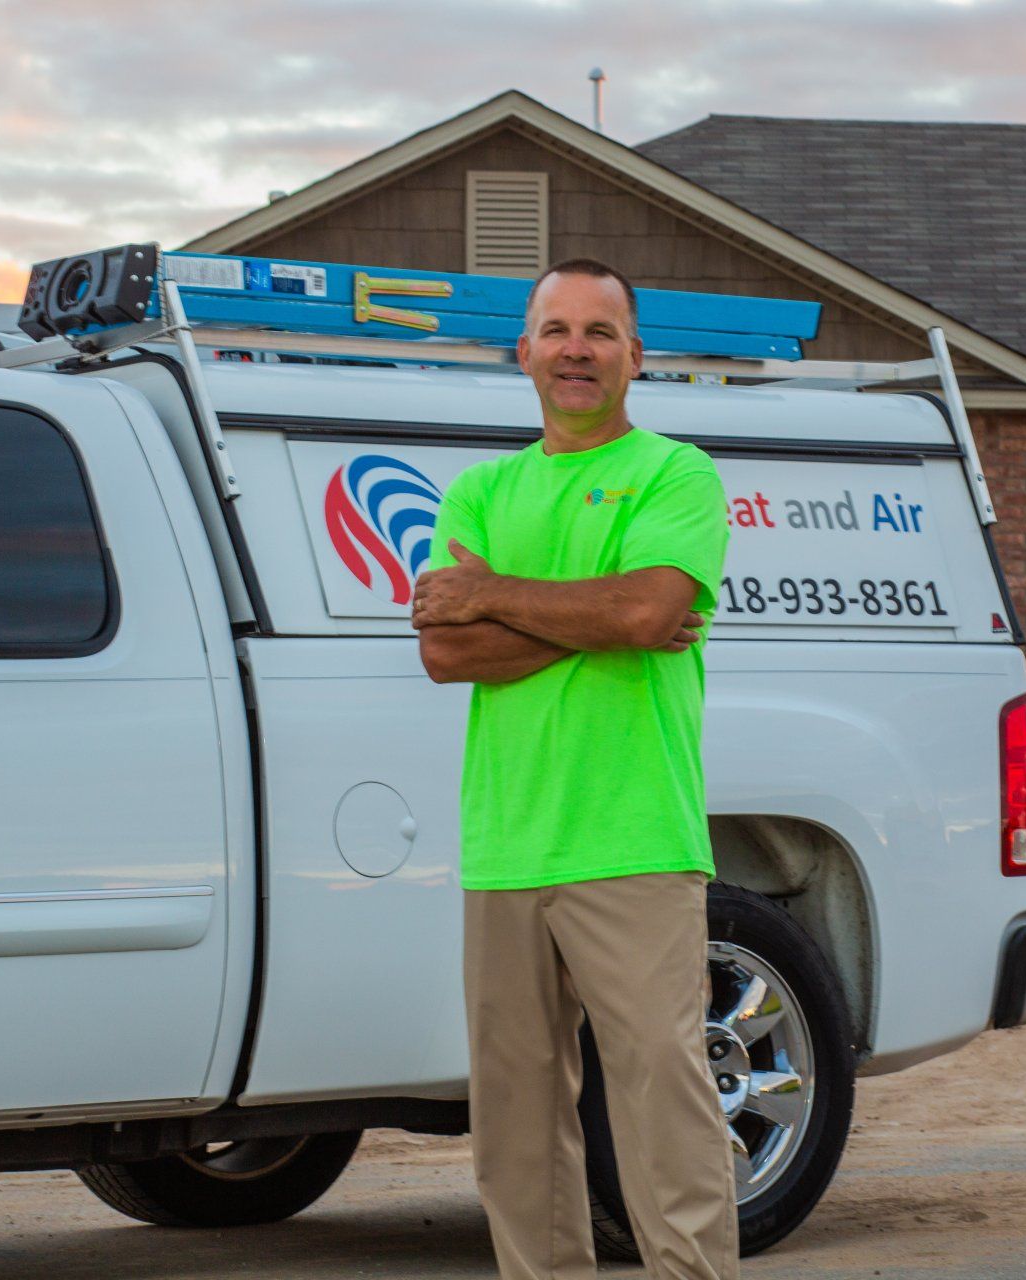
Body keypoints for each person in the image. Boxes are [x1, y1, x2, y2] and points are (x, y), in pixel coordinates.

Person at [411, 258, 738, 1280]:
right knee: (515, 1119)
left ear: (635, 355)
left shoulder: (675, 474)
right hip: (506, 842)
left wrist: (496, 595)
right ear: (526, 349)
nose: (576, 349)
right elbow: (444, 652)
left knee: (660, 1099)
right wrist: (602, 618)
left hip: (633, 836)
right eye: (557, 329)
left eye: (600, 331)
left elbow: (649, 611)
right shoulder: (481, 487)